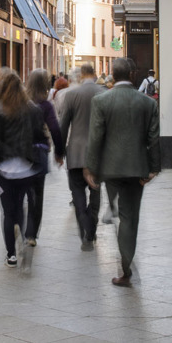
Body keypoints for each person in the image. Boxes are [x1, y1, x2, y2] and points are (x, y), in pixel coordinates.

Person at [85, 57, 161, 287]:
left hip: (111, 169)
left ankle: (114, 208)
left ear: (113, 75)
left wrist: (91, 168)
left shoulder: (101, 101)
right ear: (132, 75)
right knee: (130, 218)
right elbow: (153, 139)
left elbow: (96, 137)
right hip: (137, 169)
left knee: (120, 210)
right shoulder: (148, 103)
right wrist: (153, 169)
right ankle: (126, 266)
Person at [0, 71, 48, 267]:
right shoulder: (31, 109)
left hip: (5, 170)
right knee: (21, 205)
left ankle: (11, 255)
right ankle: (22, 236)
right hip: (25, 169)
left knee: (7, 212)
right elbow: (39, 136)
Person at [59, 63, 102, 251]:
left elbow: (63, 126)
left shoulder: (71, 95)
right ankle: (91, 230)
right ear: (94, 74)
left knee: (77, 195)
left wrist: (59, 152)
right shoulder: (103, 93)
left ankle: (85, 231)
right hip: (97, 154)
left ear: (81, 75)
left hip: (75, 153)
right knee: (95, 193)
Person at [24, 69, 64, 246]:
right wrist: (59, 152)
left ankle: (17, 222)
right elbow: (55, 129)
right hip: (39, 154)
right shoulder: (46, 105)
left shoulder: (21, 102)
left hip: (20, 154)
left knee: (19, 193)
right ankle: (31, 234)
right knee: (37, 196)